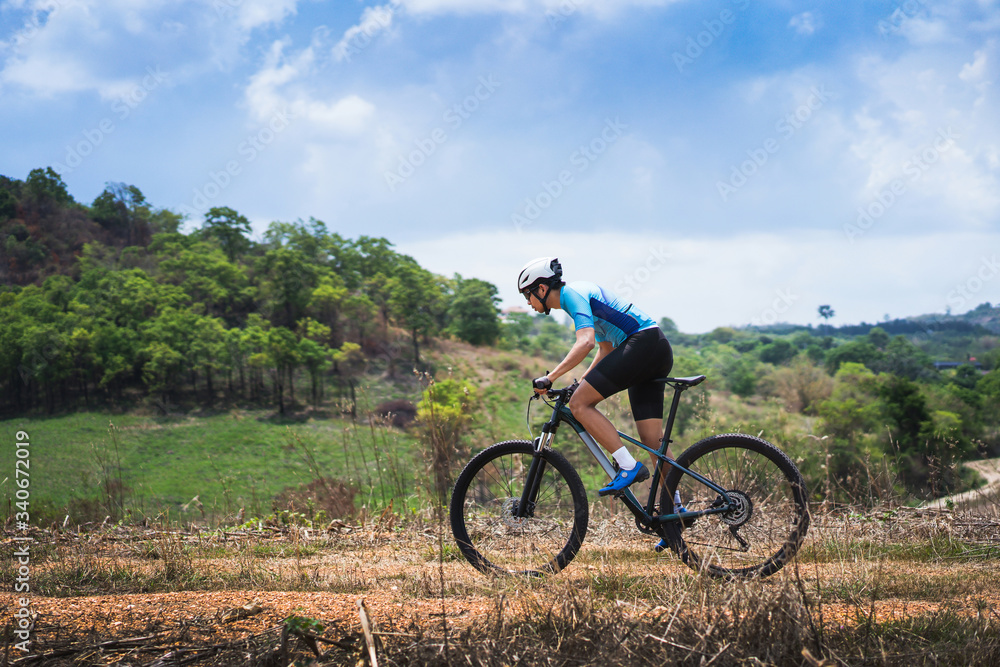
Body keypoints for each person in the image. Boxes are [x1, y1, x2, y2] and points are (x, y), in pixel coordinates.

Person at [517, 256, 678, 503]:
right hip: (655, 347)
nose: (528, 302)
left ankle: (628, 466)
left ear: (541, 288)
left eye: (527, 294)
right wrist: (580, 382)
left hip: (643, 345)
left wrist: (550, 378)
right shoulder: (580, 299)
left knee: (580, 405)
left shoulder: (571, 295)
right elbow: (604, 350)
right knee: (652, 441)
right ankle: (675, 511)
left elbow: (586, 342)